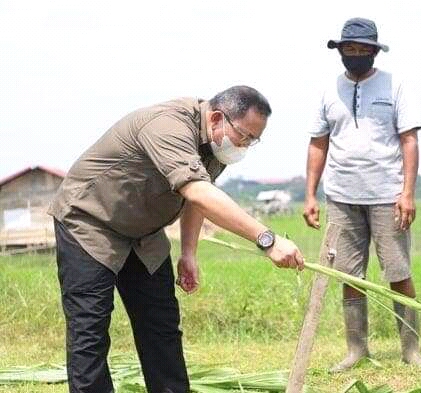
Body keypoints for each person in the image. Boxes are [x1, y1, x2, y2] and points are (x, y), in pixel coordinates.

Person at [48, 85, 305, 393]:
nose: (245, 146)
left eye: (254, 140)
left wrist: (189, 253)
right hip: (91, 221)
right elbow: (197, 190)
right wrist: (268, 239)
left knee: (161, 326)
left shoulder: (216, 147)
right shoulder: (167, 126)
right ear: (217, 118)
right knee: (89, 330)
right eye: (244, 136)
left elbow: (198, 198)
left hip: (143, 234)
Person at [303, 17, 421, 372]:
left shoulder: (395, 86)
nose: (356, 55)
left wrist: (407, 193)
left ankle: (411, 350)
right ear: (341, 51)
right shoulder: (330, 91)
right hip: (342, 197)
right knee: (349, 274)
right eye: (350, 49)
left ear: (374, 52)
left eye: (363, 50)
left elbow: (409, 140)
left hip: (388, 196)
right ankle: (357, 350)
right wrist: (310, 195)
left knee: (398, 271)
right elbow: (318, 143)